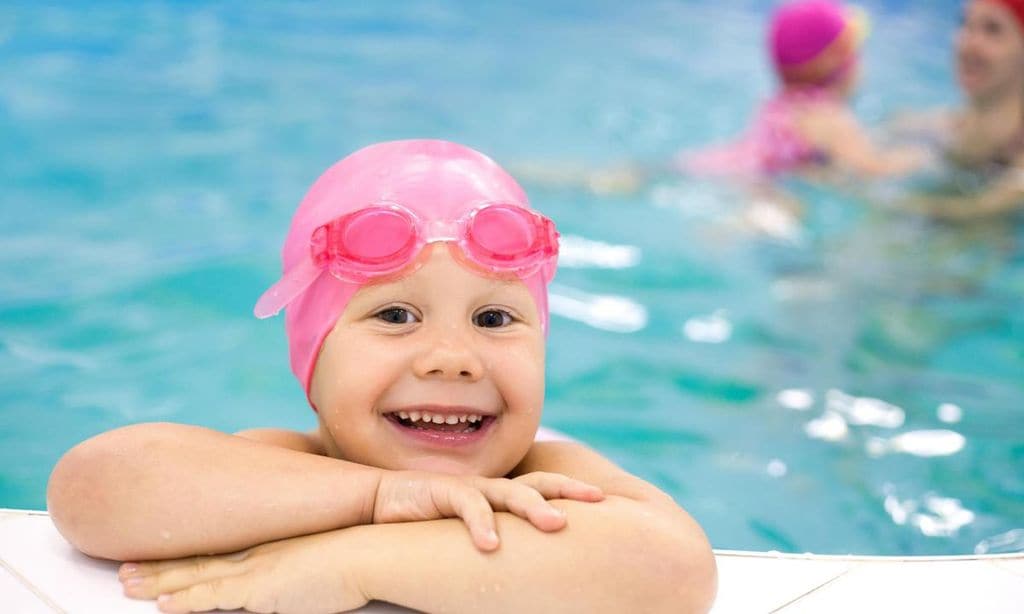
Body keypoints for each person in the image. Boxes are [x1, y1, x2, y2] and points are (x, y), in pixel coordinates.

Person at [46, 140, 717, 614]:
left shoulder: (543, 477)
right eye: (396, 314)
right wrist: (379, 499)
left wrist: (351, 565)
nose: (451, 357)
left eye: (493, 318)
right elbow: (90, 490)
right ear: (314, 360)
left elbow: (673, 571)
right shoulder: (283, 470)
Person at [681, 0, 923, 181]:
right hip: (771, 179)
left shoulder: (779, 104)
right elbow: (870, 169)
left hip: (735, 162)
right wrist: (914, 159)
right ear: (840, 61)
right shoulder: (828, 116)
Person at [890, 0, 1024, 221]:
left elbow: (969, 215)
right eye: (965, 24)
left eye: (992, 30)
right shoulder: (925, 126)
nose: (969, 44)